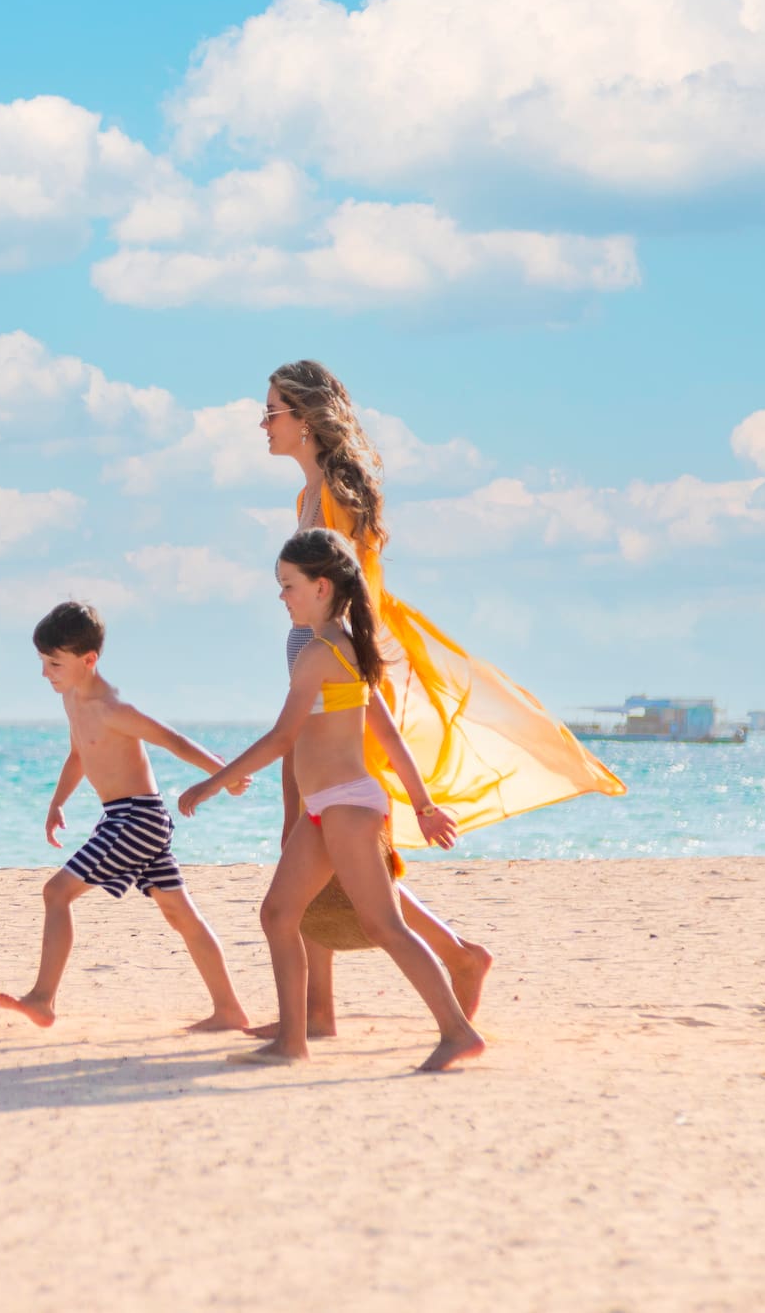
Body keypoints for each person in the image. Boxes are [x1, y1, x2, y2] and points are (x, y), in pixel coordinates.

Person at [251, 359, 615, 1035]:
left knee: (331, 841)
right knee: (311, 838)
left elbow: (356, 603)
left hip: (337, 684)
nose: (262, 424)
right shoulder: (307, 499)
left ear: (305, 419)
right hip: (316, 674)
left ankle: (448, 959)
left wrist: (345, 681)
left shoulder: (331, 495)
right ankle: (321, 1009)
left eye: (271, 411)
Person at [181, 530, 485, 1072]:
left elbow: (281, 738)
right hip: (330, 806)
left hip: (346, 806)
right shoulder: (346, 648)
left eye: (288, 586)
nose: (282, 598)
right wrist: (422, 806)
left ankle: (457, 1032)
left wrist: (210, 783)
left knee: (384, 926)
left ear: (321, 587)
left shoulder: (321, 654)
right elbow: (388, 739)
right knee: (278, 913)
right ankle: (292, 1040)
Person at [0, 601, 251, 1032]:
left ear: (88, 660)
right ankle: (229, 1010)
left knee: (57, 894)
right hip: (123, 816)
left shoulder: (115, 708)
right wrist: (57, 803)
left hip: (137, 819)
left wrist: (223, 777)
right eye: (42, 662)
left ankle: (42, 999)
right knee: (179, 913)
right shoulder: (71, 698)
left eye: (54, 663)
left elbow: (174, 740)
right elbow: (78, 754)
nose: (45, 673)